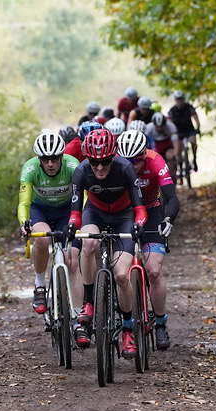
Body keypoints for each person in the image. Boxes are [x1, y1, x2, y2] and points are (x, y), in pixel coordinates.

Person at [66, 128, 147, 358]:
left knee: (121, 275)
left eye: (105, 162)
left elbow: (140, 209)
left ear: (113, 157)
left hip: (124, 217)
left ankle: (128, 330)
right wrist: (73, 225)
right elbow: (75, 213)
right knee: (88, 244)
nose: (99, 167)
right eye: (94, 162)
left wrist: (138, 224)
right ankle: (89, 302)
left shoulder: (125, 168)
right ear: (87, 159)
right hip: (95, 213)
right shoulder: (81, 171)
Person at [116, 129, 180, 350]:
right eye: (126, 161)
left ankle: (160, 323)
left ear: (144, 156)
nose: (130, 166)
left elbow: (171, 197)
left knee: (153, 271)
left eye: (135, 161)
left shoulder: (156, 161)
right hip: (125, 213)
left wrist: (168, 219)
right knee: (118, 267)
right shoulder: (115, 164)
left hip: (152, 212)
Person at [18, 132, 83, 317]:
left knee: (71, 262)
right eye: (45, 160)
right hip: (41, 211)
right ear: (39, 159)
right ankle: (40, 286)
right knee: (43, 239)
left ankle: (78, 318)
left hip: (67, 212)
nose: (50, 164)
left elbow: (84, 198)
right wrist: (24, 224)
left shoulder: (72, 165)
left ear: (62, 156)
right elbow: (24, 203)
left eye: (54, 159)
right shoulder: (30, 169)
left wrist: (79, 219)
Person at [167, 90, 201, 172]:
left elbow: (196, 117)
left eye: (181, 100)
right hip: (178, 132)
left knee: (193, 142)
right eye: (177, 100)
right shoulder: (172, 110)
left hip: (189, 129)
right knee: (177, 149)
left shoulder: (189, 107)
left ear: (183, 99)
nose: (179, 102)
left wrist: (198, 127)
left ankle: (194, 158)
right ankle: (180, 165)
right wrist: (171, 133)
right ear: (175, 100)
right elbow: (169, 123)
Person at [145, 112, 179, 178]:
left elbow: (175, 141)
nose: (159, 128)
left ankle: (171, 175)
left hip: (167, 145)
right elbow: (146, 143)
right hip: (155, 145)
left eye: (161, 126)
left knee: (170, 156)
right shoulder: (148, 128)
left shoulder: (171, 126)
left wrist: (176, 153)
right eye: (157, 127)